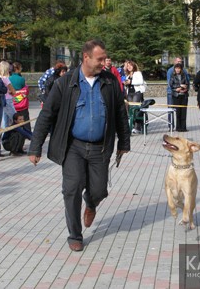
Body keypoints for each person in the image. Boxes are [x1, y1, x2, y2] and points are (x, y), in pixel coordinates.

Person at [28, 39, 130, 252]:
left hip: (100, 148)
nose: (104, 62)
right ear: (86, 57)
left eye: (104, 58)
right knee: (71, 189)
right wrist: (35, 146)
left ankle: (91, 203)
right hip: (73, 147)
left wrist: (124, 142)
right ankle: (75, 234)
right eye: (100, 59)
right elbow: (47, 115)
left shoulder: (110, 82)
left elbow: (120, 113)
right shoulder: (65, 83)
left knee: (100, 189)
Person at [166, 57, 189, 129]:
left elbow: (187, 81)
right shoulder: (170, 71)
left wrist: (186, 89)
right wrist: (177, 88)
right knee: (171, 110)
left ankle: (182, 127)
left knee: (182, 111)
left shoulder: (184, 71)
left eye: (180, 61)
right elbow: (170, 83)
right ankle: (171, 126)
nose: (179, 63)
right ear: (174, 61)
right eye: (178, 61)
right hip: (172, 93)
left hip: (183, 94)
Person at [123, 60, 145, 134]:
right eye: (128, 66)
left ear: (134, 66)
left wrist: (131, 82)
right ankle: (132, 126)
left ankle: (137, 127)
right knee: (130, 110)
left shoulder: (138, 73)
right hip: (130, 94)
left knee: (136, 110)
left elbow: (141, 81)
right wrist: (125, 83)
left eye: (130, 66)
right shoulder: (128, 75)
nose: (129, 67)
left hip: (137, 93)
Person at [9, 62, 31, 133]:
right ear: (17, 69)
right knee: (25, 118)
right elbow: (24, 89)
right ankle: (27, 132)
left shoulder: (9, 78)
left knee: (14, 119)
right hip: (22, 103)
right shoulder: (21, 79)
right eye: (20, 67)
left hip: (13, 102)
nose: (21, 69)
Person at [0, 61, 16, 128]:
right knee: (14, 117)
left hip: (0, 100)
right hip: (8, 100)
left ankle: (3, 136)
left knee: (3, 120)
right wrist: (12, 92)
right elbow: (13, 91)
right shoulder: (5, 79)